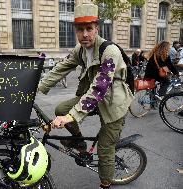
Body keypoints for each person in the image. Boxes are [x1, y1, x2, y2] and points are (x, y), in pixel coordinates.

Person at [38, 3, 134, 189]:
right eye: (80, 30)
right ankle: (80, 143)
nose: (85, 34)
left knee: (105, 148)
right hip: (95, 100)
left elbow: (99, 87)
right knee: (61, 109)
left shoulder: (109, 51)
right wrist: (38, 87)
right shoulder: (80, 49)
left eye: (89, 29)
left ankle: (106, 183)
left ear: (96, 28)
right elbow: (61, 68)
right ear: (75, 30)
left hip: (115, 103)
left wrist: (72, 116)